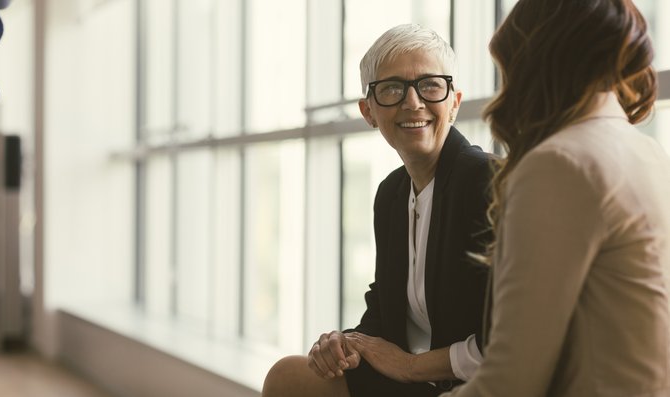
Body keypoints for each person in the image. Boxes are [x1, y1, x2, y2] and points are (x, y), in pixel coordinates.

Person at [441, 1, 670, 396]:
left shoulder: (561, 163)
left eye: (507, 72)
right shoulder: (647, 153)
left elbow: (511, 383)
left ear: (535, 65)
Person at [262, 24, 493, 397]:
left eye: (431, 85)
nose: (413, 102)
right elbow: (385, 309)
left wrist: (410, 366)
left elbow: (513, 338)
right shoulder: (391, 193)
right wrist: (346, 344)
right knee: (287, 377)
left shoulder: (484, 181)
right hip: (418, 380)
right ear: (368, 111)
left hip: (480, 384)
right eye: (392, 89)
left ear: (454, 102)